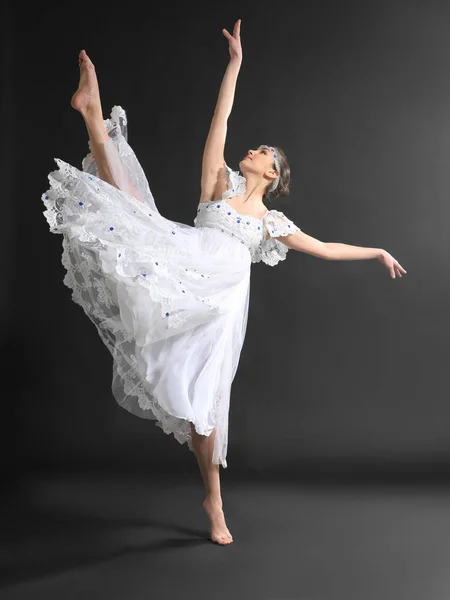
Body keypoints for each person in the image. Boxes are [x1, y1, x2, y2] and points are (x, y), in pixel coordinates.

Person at [41, 19, 406, 546]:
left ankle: (213, 498)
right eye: (255, 148)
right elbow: (222, 118)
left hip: (222, 303)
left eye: (263, 154)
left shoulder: (269, 224)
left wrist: (376, 250)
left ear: (273, 176)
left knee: (205, 409)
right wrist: (234, 64)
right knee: (130, 211)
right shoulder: (218, 183)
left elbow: (325, 248)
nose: (252, 152)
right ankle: (93, 114)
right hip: (185, 267)